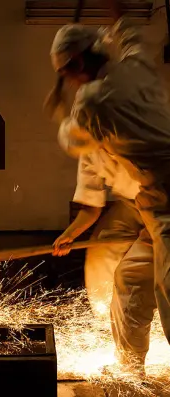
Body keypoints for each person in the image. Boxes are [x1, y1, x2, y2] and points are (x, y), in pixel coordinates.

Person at [48, 0, 170, 376]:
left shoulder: (91, 102)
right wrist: (118, 17)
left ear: (79, 65)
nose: (69, 81)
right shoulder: (135, 67)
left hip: (168, 198)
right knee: (131, 277)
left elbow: (71, 139)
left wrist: (57, 109)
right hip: (152, 202)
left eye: (67, 73)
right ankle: (129, 369)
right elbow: (134, 40)